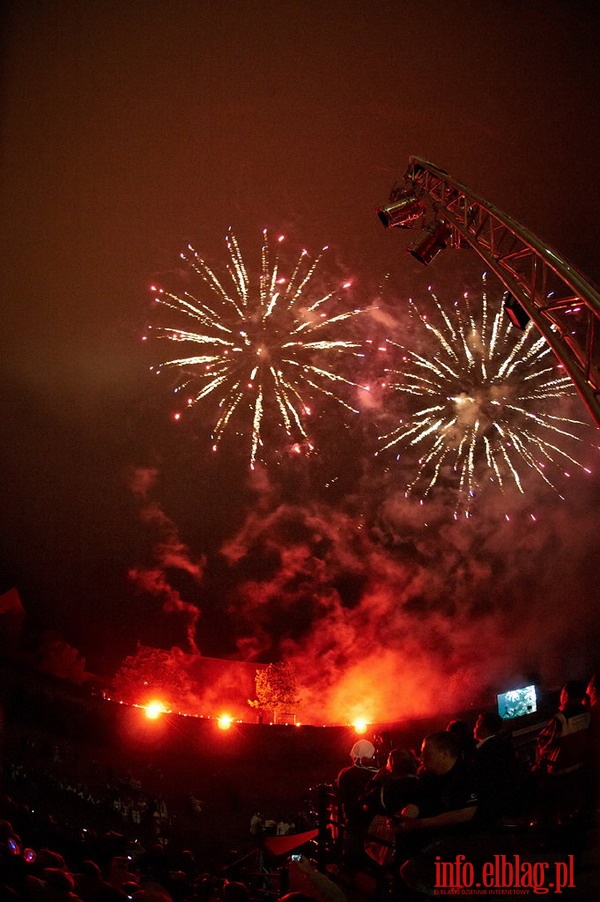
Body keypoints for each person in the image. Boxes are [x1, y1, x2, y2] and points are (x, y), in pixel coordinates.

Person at [535, 679, 592, 822]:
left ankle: (547, 828)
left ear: (565, 694)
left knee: (550, 802)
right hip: (579, 766)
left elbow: (544, 742)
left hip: (559, 771)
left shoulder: (559, 719)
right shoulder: (587, 712)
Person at [336, 739, 378, 870]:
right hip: (373, 824)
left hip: (354, 822)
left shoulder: (346, 773)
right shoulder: (379, 774)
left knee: (353, 859)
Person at [473, 711, 519, 823]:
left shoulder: (484, 752)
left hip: (494, 812)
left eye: (477, 724)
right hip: (510, 805)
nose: (474, 728)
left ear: (484, 728)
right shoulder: (504, 745)